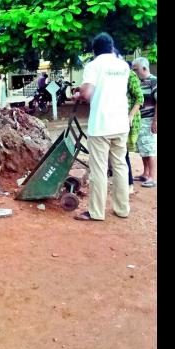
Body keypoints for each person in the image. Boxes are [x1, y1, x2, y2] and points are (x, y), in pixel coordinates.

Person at [73, 32, 131, 221]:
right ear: (111, 47)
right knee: (120, 166)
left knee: (99, 169)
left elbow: (88, 93)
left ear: (94, 50)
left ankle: (97, 212)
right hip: (121, 123)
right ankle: (122, 209)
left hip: (101, 124)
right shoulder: (123, 66)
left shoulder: (94, 65)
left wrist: (78, 95)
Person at [131, 57, 158, 188]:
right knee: (143, 148)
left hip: (149, 120)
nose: (134, 72)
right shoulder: (139, 82)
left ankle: (153, 177)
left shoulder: (154, 81)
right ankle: (146, 174)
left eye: (135, 69)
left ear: (144, 68)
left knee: (150, 148)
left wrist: (155, 121)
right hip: (140, 120)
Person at [126, 62, 144, 194]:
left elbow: (140, 98)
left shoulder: (129, 74)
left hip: (128, 120)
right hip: (117, 119)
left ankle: (129, 184)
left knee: (122, 154)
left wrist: (130, 116)